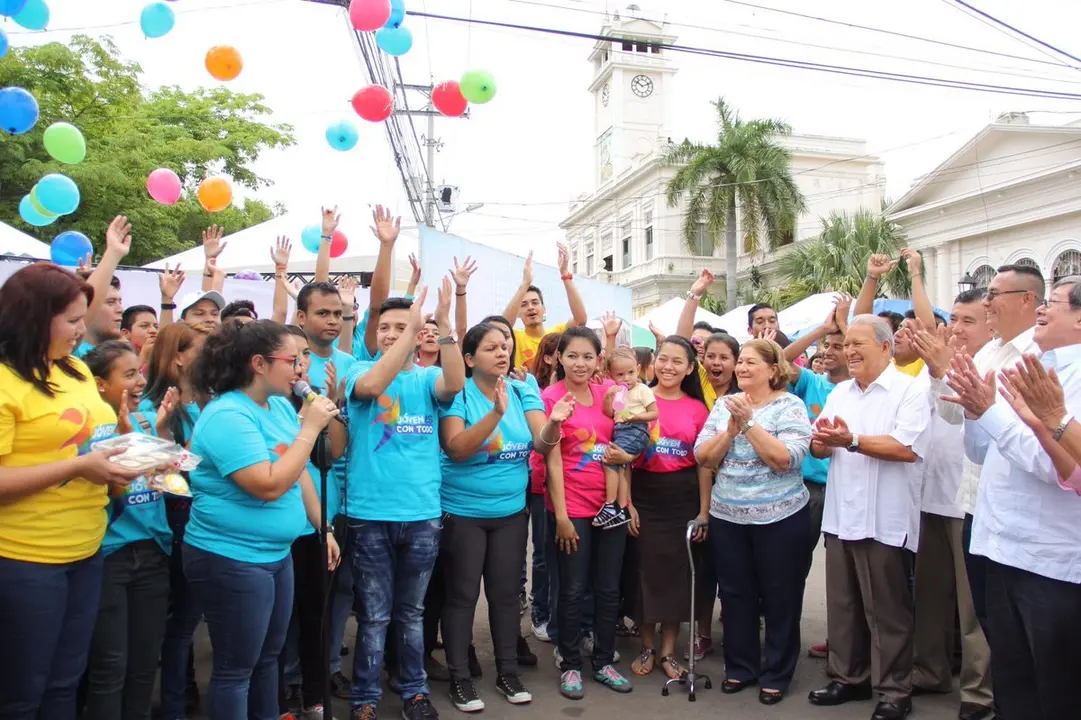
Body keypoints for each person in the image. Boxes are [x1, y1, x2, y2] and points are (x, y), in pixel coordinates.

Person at [0, 263, 144, 718]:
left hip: (86, 550)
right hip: (25, 559)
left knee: (65, 683)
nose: (83, 329)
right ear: (33, 317)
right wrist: (82, 465)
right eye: (73, 320)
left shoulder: (77, 370)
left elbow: (92, 447)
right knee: (23, 691)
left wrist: (121, 453)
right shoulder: (6, 381)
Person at [183, 319, 341, 720]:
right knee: (237, 668)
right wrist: (309, 428)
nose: (301, 369)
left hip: (275, 554)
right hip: (232, 558)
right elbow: (267, 485)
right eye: (292, 360)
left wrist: (324, 528)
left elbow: (301, 472)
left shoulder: (275, 408)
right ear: (258, 363)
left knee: (268, 657)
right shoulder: (228, 416)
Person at [945, 276, 1081, 720]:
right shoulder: (1028, 361)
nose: (1042, 309)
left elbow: (1056, 466)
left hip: (1051, 559)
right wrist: (975, 410)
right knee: (1012, 679)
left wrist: (993, 415)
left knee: (1055, 687)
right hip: (999, 545)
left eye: (1054, 304)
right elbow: (982, 452)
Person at [342, 281, 465, 720]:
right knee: (374, 616)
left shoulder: (428, 377)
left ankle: (414, 691)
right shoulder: (357, 371)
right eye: (386, 328)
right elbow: (374, 385)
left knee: (411, 614)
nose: (393, 334)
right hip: (369, 514)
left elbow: (455, 381)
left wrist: (444, 324)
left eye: (402, 327)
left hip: (422, 514)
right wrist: (411, 327)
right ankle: (365, 698)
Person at [807, 315, 931, 720]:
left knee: (888, 610)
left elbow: (906, 447)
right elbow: (823, 448)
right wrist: (823, 442)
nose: (850, 351)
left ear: (884, 346)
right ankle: (849, 677)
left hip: (885, 518)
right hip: (842, 514)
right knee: (843, 605)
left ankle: (895, 690)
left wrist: (852, 440)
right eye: (847, 345)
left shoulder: (908, 390)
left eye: (859, 343)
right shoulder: (841, 391)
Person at [438, 322, 566, 712]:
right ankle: (460, 678)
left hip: (511, 512)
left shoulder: (523, 388)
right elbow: (456, 448)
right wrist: (495, 414)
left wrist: (555, 422)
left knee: (506, 596)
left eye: (505, 345)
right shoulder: (458, 394)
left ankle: (507, 672)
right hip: (462, 512)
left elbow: (541, 444)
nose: (502, 352)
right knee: (461, 596)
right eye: (491, 347)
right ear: (470, 358)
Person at [695, 338, 812, 705]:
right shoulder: (722, 405)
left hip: (781, 518)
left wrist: (747, 424)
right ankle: (741, 667)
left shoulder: (790, 406)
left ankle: (777, 672)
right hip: (728, 517)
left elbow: (786, 459)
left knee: (780, 596)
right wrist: (729, 429)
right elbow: (703, 456)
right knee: (735, 594)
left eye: (750, 363)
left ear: (773, 370)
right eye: (740, 362)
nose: (741, 369)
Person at [932, 264, 1042, 642]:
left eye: (995, 294)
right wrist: (941, 373)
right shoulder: (989, 353)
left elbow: (1031, 440)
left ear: (1028, 299)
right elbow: (954, 415)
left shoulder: (1039, 354)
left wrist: (985, 410)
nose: (988, 301)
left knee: (1021, 627)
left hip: (1023, 510)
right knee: (992, 616)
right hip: (977, 501)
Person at [903, 291, 995, 720]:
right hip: (929, 496)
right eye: (954, 318)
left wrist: (942, 369)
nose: (956, 328)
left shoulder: (994, 365)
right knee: (930, 596)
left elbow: (958, 417)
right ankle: (930, 670)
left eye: (968, 321)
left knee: (973, 607)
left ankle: (978, 692)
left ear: (991, 325)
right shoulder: (929, 369)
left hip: (969, 503)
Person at [81, 340, 176, 720]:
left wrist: (165, 440)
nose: (140, 382)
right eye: (129, 374)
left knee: (142, 664)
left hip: (153, 553)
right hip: (109, 557)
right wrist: (126, 439)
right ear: (100, 384)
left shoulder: (148, 418)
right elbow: (109, 491)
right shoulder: (84, 430)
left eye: (140, 372)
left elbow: (173, 482)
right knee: (110, 666)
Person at [544, 326, 634, 700]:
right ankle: (569, 663)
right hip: (573, 509)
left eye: (588, 356)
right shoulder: (551, 397)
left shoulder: (606, 395)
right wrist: (562, 516)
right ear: (559, 358)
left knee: (608, 588)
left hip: (610, 507)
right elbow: (551, 461)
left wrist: (628, 502)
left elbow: (626, 444)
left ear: (599, 360)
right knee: (573, 589)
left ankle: (602, 661)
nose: (580, 363)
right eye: (572, 356)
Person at [627, 336, 710, 682]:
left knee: (677, 576)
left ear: (690, 368)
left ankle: (668, 652)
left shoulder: (698, 408)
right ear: (653, 363)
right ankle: (646, 646)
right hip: (643, 494)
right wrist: (627, 503)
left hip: (682, 497)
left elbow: (704, 464)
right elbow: (622, 456)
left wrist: (704, 511)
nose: (669, 367)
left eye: (678, 361)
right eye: (663, 359)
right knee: (644, 573)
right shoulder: (635, 400)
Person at [278, 324, 350, 720]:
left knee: (314, 614)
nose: (301, 364)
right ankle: (281, 689)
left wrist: (332, 404)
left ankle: (315, 695)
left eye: (305, 355)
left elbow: (330, 455)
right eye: (293, 357)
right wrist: (304, 419)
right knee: (279, 620)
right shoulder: (271, 405)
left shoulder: (317, 400)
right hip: (280, 526)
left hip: (319, 522)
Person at [781, 294, 852, 659]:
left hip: (848, 490)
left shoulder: (859, 390)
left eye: (839, 345)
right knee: (795, 566)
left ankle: (844, 641)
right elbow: (779, 360)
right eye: (828, 343)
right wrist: (821, 328)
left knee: (844, 574)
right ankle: (785, 635)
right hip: (809, 490)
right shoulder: (812, 382)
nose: (830, 350)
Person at [144, 321, 206, 720]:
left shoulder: (208, 401)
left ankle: (182, 696)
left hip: (204, 518)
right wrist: (185, 448)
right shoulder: (156, 410)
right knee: (181, 622)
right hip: (178, 521)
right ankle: (174, 704)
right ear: (179, 357)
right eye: (201, 348)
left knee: (187, 618)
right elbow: (165, 472)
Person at [526, 331, 563, 644]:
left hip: (573, 487)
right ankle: (541, 612)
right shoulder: (539, 393)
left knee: (564, 557)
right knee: (543, 552)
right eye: (567, 353)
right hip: (541, 483)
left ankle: (565, 618)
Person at [595, 348, 657, 528]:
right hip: (622, 429)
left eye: (631, 372)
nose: (627, 378)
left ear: (638, 369)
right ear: (611, 375)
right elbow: (611, 414)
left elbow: (654, 413)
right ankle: (621, 509)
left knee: (609, 461)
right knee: (620, 465)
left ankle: (610, 505)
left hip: (636, 430)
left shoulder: (642, 390)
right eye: (620, 375)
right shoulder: (620, 393)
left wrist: (635, 417)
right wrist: (608, 397)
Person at [501, 246, 587, 368]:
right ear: (518, 313)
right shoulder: (515, 337)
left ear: (544, 309)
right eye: (524, 305)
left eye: (535, 303)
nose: (530, 307)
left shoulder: (557, 334)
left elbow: (581, 320)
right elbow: (502, 325)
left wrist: (565, 275)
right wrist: (525, 283)